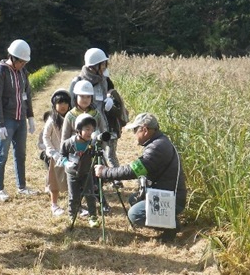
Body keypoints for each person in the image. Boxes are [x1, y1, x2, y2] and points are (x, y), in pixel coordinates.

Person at [94, 113, 187, 242]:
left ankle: (172, 226)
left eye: (135, 130)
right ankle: (166, 220)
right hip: (166, 192)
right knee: (134, 199)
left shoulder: (157, 147)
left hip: (173, 199)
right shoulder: (159, 142)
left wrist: (106, 173)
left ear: (144, 130)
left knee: (135, 214)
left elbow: (133, 170)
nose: (133, 134)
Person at [0, 39, 37, 201]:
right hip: (6, 120)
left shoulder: (23, 73)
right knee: (1, 155)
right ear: (13, 58)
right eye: (21, 61)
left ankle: (21, 186)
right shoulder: (0, 72)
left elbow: (27, 95)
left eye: (25, 62)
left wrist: (30, 116)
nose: (23, 64)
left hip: (20, 119)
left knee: (20, 154)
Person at [61, 79, 110, 212]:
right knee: (77, 183)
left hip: (93, 152)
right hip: (77, 154)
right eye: (82, 96)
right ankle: (78, 207)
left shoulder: (96, 113)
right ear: (76, 96)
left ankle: (103, 203)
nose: (85, 99)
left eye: (88, 96)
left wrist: (103, 147)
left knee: (96, 179)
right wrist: (65, 158)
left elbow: (103, 130)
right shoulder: (70, 116)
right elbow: (64, 138)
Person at [60, 113, 100, 228]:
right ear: (78, 130)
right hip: (72, 174)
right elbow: (62, 155)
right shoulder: (68, 143)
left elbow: (97, 157)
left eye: (92, 130)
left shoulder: (92, 144)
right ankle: (72, 215)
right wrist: (66, 163)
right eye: (87, 129)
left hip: (87, 173)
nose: (90, 132)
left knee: (90, 195)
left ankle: (93, 216)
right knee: (73, 196)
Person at [43, 89, 71, 216]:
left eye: (65, 102)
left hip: (70, 154)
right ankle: (54, 205)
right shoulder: (52, 120)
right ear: (54, 105)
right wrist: (51, 151)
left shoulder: (71, 118)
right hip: (56, 155)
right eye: (60, 103)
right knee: (54, 181)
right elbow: (45, 137)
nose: (63, 105)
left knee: (72, 180)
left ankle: (74, 204)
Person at [102, 68, 129, 188]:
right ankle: (109, 176)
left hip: (112, 131)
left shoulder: (112, 93)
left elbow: (119, 112)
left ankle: (117, 179)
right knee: (105, 154)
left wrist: (110, 107)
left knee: (110, 155)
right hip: (103, 130)